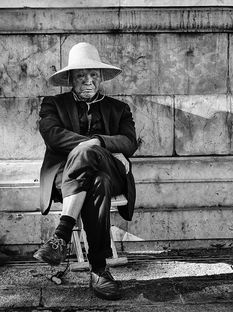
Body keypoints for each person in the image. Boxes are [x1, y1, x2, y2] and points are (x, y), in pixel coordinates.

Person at [33, 42, 138, 300]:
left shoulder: (119, 108)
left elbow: (129, 141)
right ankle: (100, 270)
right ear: (70, 78)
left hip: (113, 172)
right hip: (65, 175)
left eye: (93, 75)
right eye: (81, 75)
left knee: (97, 163)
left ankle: (61, 234)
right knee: (97, 181)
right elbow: (53, 136)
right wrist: (96, 146)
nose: (88, 81)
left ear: (101, 77)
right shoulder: (53, 105)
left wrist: (99, 142)